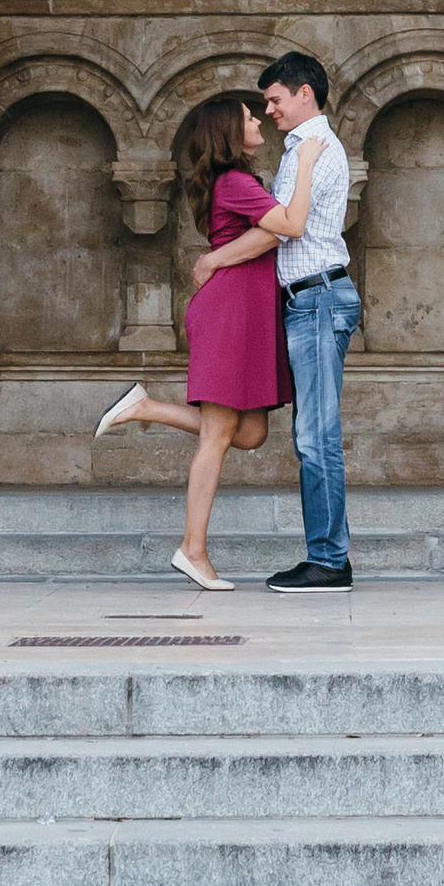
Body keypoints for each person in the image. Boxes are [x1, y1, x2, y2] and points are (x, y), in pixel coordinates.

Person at [91, 94, 291, 587]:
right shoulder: (237, 182)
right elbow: (285, 228)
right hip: (230, 313)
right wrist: (306, 162)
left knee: (250, 433)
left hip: (240, 313)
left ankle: (144, 408)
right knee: (220, 436)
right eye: (248, 116)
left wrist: (220, 257)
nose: (259, 118)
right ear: (228, 130)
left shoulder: (235, 182)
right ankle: (192, 550)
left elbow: (270, 234)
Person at [187, 50, 359, 588]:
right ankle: (327, 557)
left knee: (315, 435)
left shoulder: (315, 150)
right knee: (286, 431)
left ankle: (329, 561)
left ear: (304, 93)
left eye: (275, 99)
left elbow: (286, 227)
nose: (269, 110)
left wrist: (215, 258)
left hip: (318, 297)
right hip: (305, 300)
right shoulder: (295, 152)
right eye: (261, 105)